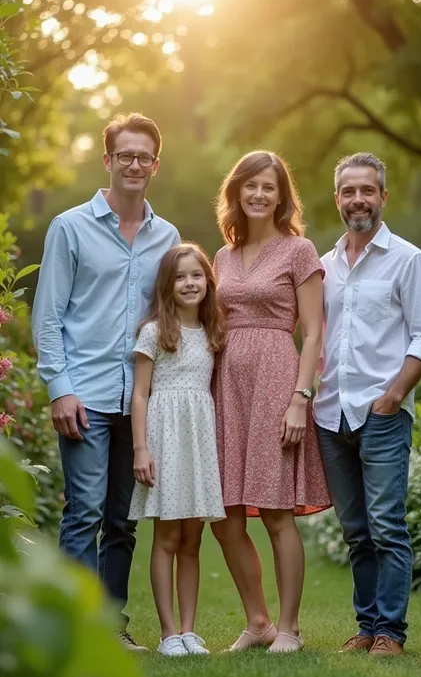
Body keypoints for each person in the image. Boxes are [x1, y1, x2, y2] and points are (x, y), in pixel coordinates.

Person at [32, 112, 180, 651]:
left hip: (139, 400)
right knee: (84, 513)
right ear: (108, 161)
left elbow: (172, 314)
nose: (135, 164)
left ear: (155, 165)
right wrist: (59, 388)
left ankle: (111, 630)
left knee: (122, 520)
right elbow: (48, 316)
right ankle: (74, 630)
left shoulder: (168, 236)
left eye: (144, 156)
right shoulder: (70, 227)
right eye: (126, 155)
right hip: (85, 395)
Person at [314, 152, 421, 657]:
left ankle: (391, 632)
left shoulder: (408, 260)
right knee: (355, 531)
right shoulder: (323, 267)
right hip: (331, 416)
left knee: (387, 525)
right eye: (349, 191)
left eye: (368, 190)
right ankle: (367, 627)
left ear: (383, 197)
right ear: (338, 198)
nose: (358, 199)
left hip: (382, 415)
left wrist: (392, 397)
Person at [212, 150, 331, 653]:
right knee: (225, 515)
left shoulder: (299, 250)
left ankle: (289, 628)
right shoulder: (221, 256)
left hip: (276, 380)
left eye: (269, 187)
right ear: (236, 191)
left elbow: (314, 330)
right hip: (225, 387)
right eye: (251, 186)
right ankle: (257, 621)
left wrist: (300, 398)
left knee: (277, 509)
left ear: (282, 196)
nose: (259, 194)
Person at [128, 242, 226, 657]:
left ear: (208, 280)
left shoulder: (211, 332)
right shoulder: (153, 332)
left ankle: (189, 631)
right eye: (180, 277)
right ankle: (168, 633)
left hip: (197, 443)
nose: (189, 283)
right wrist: (140, 449)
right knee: (166, 538)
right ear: (167, 285)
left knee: (192, 542)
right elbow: (140, 396)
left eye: (196, 275)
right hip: (164, 442)